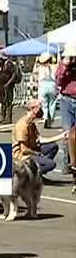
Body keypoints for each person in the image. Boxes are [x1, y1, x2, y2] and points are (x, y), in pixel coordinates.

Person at [12, 99, 67, 176]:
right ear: (34, 109)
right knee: (51, 164)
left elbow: (39, 139)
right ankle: (28, 174)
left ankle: (38, 173)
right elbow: (23, 149)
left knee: (53, 147)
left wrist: (61, 136)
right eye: (40, 108)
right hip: (23, 155)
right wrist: (37, 154)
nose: (41, 111)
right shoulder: (23, 125)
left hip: (32, 148)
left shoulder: (31, 123)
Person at [55, 43, 76, 171]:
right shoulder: (63, 66)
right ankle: (68, 163)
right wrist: (65, 65)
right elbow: (58, 81)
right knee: (67, 131)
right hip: (67, 99)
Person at [0, 53, 21, 124]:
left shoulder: (8, 64)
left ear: (2, 59)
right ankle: (3, 118)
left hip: (8, 86)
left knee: (8, 102)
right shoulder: (1, 66)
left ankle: (9, 118)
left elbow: (13, 74)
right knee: (3, 102)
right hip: (1, 86)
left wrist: (8, 83)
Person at [31, 52, 57, 128]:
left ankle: (45, 117)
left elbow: (34, 71)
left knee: (44, 104)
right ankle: (50, 119)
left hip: (42, 86)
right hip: (52, 85)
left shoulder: (40, 67)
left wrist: (36, 62)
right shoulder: (54, 67)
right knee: (52, 103)